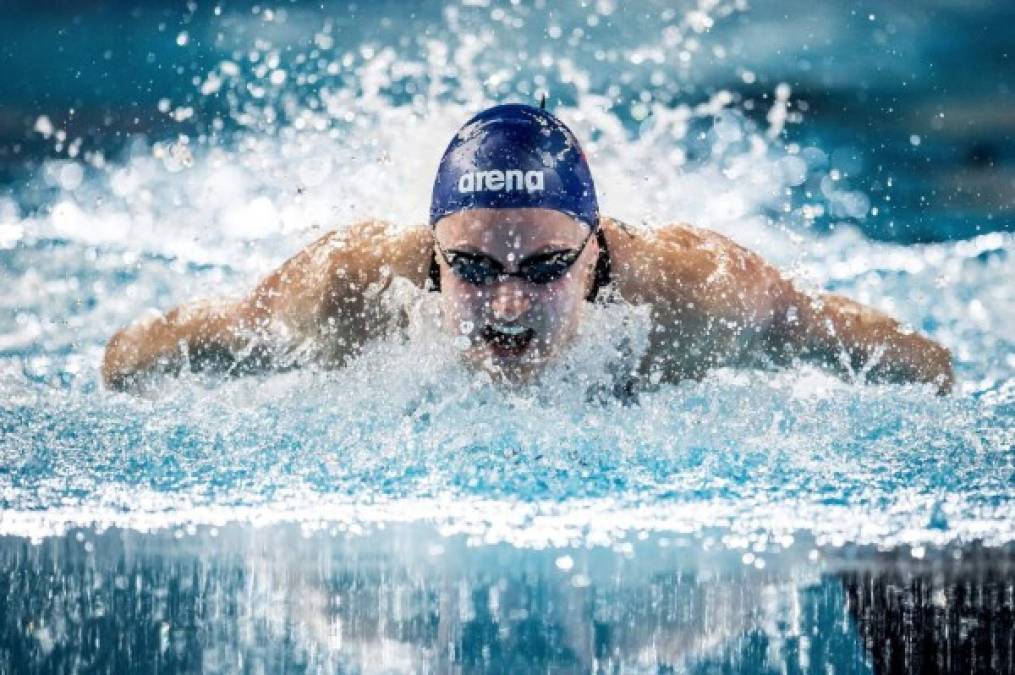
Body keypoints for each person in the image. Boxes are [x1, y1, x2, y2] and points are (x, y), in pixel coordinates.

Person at [102, 104, 954, 394]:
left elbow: (882, 350)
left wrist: (936, 378)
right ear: (433, 256)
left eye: (545, 268)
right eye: (472, 268)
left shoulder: (694, 294)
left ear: (593, 253)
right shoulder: (340, 293)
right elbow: (145, 355)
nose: (507, 306)